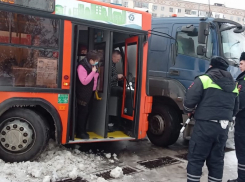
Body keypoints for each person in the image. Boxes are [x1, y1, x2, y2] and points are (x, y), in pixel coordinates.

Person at [183, 56, 239, 182]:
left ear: (211, 66)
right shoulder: (234, 85)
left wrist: (188, 111)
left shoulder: (203, 79)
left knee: (196, 159)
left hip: (204, 127)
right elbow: (236, 109)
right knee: (217, 161)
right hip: (223, 129)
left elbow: (189, 101)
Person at [228, 52, 245, 182]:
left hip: (243, 121)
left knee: (242, 149)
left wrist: (231, 113)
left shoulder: (243, 80)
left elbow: (240, 101)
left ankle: (242, 178)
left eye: (241, 63)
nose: (239, 66)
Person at [76, 50, 100, 139]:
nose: (97, 62)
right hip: (83, 93)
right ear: (90, 60)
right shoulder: (82, 66)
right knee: (83, 113)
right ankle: (80, 132)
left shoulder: (93, 66)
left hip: (91, 92)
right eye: (96, 60)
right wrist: (93, 72)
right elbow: (84, 81)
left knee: (87, 112)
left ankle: (84, 131)